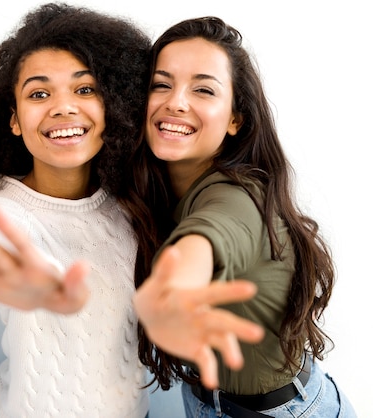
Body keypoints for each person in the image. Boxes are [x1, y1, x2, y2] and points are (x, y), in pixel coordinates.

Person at [125, 16, 356, 417]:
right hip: (212, 402)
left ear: (236, 118)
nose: (176, 101)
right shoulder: (160, 188)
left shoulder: (239, 197)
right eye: (161, 84)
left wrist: (173, 288)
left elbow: (210, 238)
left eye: (203, 89)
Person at [0, 3, 154, 417]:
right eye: (39, 94)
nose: (63, 107)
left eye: (85, 89)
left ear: (113, 106)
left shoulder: (132, 204)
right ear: (14, 120)